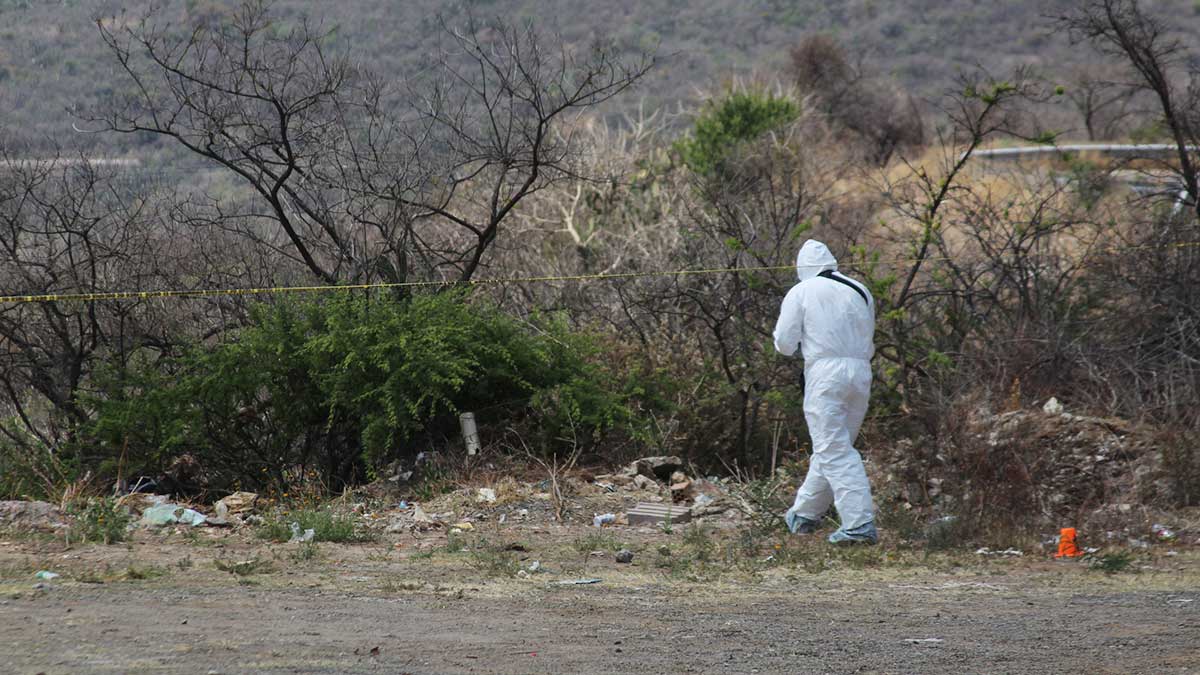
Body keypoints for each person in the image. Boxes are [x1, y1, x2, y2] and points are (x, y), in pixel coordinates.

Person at [772, 239, 878, 544]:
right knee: (833, 446)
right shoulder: (860, 289)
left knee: (835, 450)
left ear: (802, 268)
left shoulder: (802, 291)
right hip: (861, 372)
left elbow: (785, 344)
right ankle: (804, 514)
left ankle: (859, 525)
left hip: (825, 374)